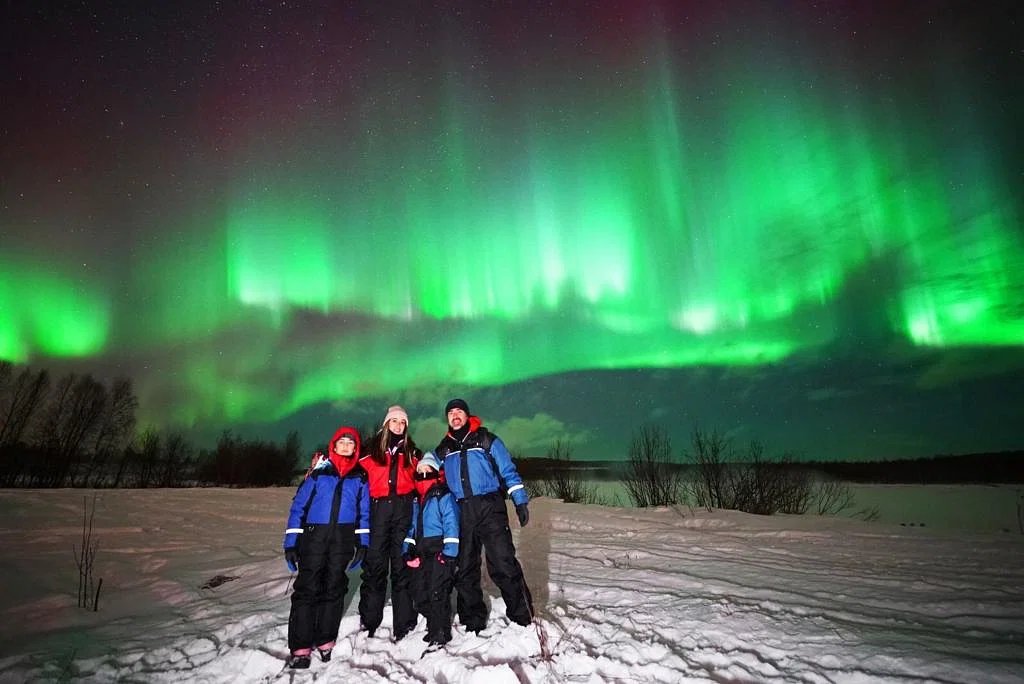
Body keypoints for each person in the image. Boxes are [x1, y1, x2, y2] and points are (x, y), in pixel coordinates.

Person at [418, 398, 533, 632]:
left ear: (467, 415)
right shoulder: (445, 447)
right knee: (466, 567)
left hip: (490, 506)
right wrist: (424, 463)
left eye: (459, 411)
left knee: (502, 563)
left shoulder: (485, 439)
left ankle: (523, 616)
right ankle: (472, 619)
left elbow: (507, 469)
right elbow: (430, 461)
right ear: (447, 419)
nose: (455, 416)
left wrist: (520, 500)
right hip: (462, 511)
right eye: (451, 413)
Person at [282, 427, 370, 669]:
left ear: (355, 448)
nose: (345, 446)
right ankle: (300, 646)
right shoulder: (318, 474)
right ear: (334, 445)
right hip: (315, 537)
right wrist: (291, 543)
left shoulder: (360, 478)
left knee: (334, 587)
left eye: (349, 444)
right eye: (341, 442)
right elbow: (298, 507)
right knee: (307, 588)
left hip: (342, 539)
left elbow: (364, 514)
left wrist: (362, 543)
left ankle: (325, 639)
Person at [357, 405, 422, 641]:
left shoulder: (413, 453)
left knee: (401, 567)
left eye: (402, 422)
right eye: (393, 421)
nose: (398, 425)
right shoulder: (369, 451)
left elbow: (428, 473)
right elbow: (345, 463)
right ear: (386, 424)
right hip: (377, 512)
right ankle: (369, 619)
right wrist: (321, 461)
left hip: (403, 511)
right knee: (374, 567)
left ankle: (404, 623)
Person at [402, 463, 460, 648]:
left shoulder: (443, 494)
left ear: (436, 472)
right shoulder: (416, 498)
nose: (424, 474)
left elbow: (451, 521)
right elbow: (412, 527)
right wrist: (407, 550)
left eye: (428, 470)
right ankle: (435, 623)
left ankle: (439, 633)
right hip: (421, 552)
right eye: (420, 471)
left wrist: (449, 553)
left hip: (438, 551)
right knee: (420, 593)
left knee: (437, 592)